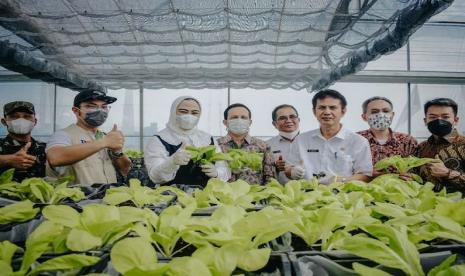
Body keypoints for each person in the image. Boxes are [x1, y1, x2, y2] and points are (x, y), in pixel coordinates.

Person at [286, 89, 372, 184]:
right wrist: (291, 171)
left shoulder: (358, 141)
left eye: (332, 107)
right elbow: (288, 168)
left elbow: (365, 176)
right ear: (314, 111)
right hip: (307, 195)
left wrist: (338, 180)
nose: (327, 112)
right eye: (322, 107)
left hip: (343, 195)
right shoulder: (301, 140)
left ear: (343, 111)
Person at [46, 90, 131, 185]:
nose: (99, 110)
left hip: (108, 197)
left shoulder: (104, 136)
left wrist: (117, 151)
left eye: (104, 107)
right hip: (79, 199)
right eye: (91, 106)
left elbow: (125, 169)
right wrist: (104, 142)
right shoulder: (63, 135)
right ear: (76, 111)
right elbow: (55, 158)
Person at [144, 96, 230, 187]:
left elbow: (224, 169)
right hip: (170, 197)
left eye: (194, 113)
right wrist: (171, 162)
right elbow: (155, 177)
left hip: (204, 196)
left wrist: (217, 173)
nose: (189, 116)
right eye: (183, 111)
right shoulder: (159, 139)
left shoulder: (207, 138)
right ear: (173, 112)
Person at [217, 103, 276, 185]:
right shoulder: (216, 145)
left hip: (255, 196)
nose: (239, 120)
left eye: (243, 117)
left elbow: (270, 177)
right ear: (225, 122)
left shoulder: (262, 146)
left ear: (250, 122)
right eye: (234, 117)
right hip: (224, 196)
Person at [357, 96, 417, 175]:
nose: (381, 115)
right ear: (364, 117)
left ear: (392, 115)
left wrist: (410, 177)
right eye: (374, 112)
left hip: (399, 186)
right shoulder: (356, 140)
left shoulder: (407, 141)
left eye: (385, 111)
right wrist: (365, 174)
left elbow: (416, 170)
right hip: (361, 186)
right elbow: (345, 170)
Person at [415, 98, 465, 193]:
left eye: (445, 117)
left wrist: (448, 173)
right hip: (426, 204)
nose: (439, 121)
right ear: (425, 121)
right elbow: (416, 175)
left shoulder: (463, 144)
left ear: (456, 120)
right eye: (433, 117)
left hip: (458, 205)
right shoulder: (421, 147)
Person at [0, 101, 46, 181]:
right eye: (14, 116)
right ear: (4, 122)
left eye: (27, 116)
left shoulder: (45, 148)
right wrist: (8, 160)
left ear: (35, 121)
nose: (21, 120)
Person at [266, 104, 300, 184]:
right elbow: (262, 174)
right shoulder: (266, 146)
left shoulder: (311, 142)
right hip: (280, 193)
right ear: (274, 124)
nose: (288, 120)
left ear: (298, 120)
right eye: (282, 118)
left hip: (311, 191)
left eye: (292, 116)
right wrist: (274, 167)